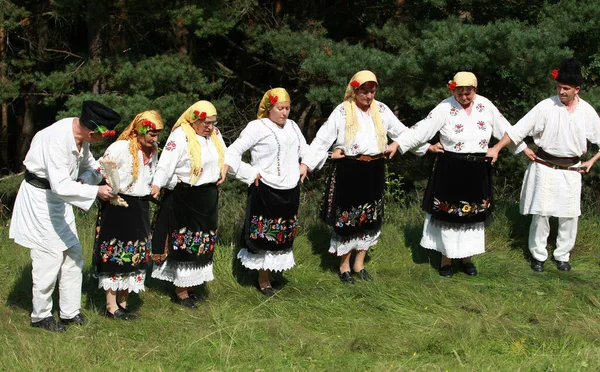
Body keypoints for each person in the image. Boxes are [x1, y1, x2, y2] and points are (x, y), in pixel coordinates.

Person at [300, 70, 431, 283]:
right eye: (364, 92)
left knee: (369, 218)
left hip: (375, 168)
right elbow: (322, 139)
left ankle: (359, 264)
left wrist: (426, 147)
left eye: (372, 91)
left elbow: (403, 132)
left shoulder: (381, 110)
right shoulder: (342, 111)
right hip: (350, 168)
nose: (369, 96)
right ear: (354, 90)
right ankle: (344, 267)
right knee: (349, 219)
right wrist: (306, 164)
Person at [397, 72, 525, 277]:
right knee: (450, 215)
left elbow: (506, 129)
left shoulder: (486, 106)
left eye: (468, 93)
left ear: (475, 90)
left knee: (472, 216)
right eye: (460, 93)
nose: (464, 97)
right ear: (453, 90)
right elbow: (422, 129)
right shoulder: (445, 107)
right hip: (451, 168)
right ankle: (446, 260)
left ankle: (467, 259)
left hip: (477, 169)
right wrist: (399, 143)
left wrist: (524, 150)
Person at [9, 100, 120, 332]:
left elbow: (92, 168)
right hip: (41, 200)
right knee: (48, 259)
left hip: (60, 201)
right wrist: (96, 191)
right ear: (92, 131)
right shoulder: (57, 140)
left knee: (73, 254)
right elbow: (60, 185)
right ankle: (41, 316)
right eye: (102, 135)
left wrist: (102, 173)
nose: (103, 140)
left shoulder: (82, 139)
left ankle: (70, 313)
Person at [487, 58, 600, 273]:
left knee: (569, 216)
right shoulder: (546, 106)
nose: (561, 91)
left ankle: (562, 256)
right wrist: (497, 148)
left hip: (572, 170)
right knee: (541, 214)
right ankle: (538, 255)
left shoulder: (587, 112)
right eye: (559, 87)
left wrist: (592, 161)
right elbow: (517, 131)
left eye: (566, 88)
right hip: (544, 167)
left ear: (577, 89)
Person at [223, 88, 309, 296]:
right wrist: (249, 173)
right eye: (280, 108)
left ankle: (271, 274)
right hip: (265, 189)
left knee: (282, 234)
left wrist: (305, 164)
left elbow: (304, 148)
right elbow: (234, 151)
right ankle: (263, 279)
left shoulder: (293, 127)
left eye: (288, 108)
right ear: (269, 108)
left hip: (290, 188)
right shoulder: (257, 127)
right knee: (266, 235)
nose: (285, 113)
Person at [150, 101, 225, 309]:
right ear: (194, 120)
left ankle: (192, 287)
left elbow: (224, 156)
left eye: (212, 122)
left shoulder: (215, 135)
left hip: (208, 196)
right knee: (186, 243)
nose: (209, 126)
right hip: (186, 197)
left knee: (202, 243)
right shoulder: (180, 136)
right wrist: (158, 184)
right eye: (205, 122)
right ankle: (180, 292)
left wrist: (224, 169)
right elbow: (165, 165)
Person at [93, 111, 164, 319]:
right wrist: (111, 188)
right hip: (119, 205)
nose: (155, 138)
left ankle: (123, 303)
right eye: (151, 133)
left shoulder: (153, 150)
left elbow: (151, 173)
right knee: (115, 253)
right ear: (139, 130)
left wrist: (154, 186)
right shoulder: (121, 147)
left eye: (157, 134)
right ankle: (110, 306)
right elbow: (102, 167)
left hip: (140, 206)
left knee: (135, 254)